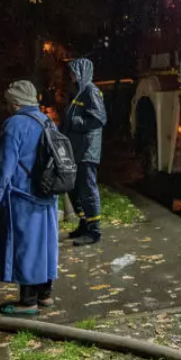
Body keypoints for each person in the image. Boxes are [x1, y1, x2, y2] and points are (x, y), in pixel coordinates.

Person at [0, 80, 59, 314]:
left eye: (9, 103)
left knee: (26, 246)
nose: (7, 107)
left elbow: (5, 165)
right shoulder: (47, 121)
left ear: (15, 103)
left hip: (23, 196)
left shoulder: (14, 124)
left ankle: (27, 302)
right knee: (46, 244)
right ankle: (45, 295)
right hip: (47, 193)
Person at [63, 58, 107, 246]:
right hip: (78, 150)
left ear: (81, 72)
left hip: (87, 150)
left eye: (73, 71)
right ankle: (84, 224)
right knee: (76, 189)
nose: (70, 75)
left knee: (88, 189)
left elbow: (99, 118)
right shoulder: (80, 92)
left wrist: (76, 123)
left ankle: (94, 231)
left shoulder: (90, 90)